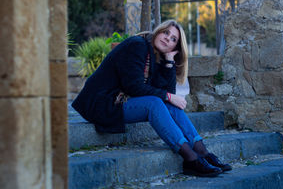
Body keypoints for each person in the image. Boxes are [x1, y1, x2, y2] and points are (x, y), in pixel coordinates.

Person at [72, 20, 232, 177]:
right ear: (159, 31)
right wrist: (169, 96)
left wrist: (169, 62)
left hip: (119, 101)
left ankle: (202, 152)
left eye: (173, 39)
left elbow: (166, 93)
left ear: (175, 47)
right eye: (166, 32)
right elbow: (133, 87)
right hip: (102, 103)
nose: (167, 38)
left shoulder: (155, 56)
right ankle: (190, 158)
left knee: (166, 103)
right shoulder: (137, 45)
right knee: (153, 103)